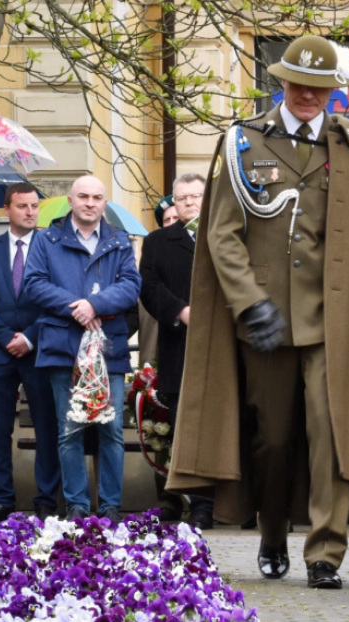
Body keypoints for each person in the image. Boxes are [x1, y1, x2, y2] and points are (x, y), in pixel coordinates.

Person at [165, 33, 349, 590]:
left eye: (321, 87)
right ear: (282, 82)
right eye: (299, 84)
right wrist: (247, 303)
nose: (309, 95)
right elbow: (222, 234)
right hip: (268, 320)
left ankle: (325, 553)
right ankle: (273, 531)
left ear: (334, 90)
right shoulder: (242, 141)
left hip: (337, 320)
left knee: (332, 432)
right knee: (273, 440)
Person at [23, 175, 141, 524]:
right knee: (69, 429)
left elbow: (131, 286)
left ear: (105, 203)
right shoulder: (47, 240)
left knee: (112, 430)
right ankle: (75, 505)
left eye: (97, 197)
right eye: (84, 197)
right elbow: (34, 283)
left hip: (109, 348)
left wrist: (95, 304)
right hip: (63, 346)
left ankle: (110, 508)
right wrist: (76, 306)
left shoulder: (120, 241)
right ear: (71, 201)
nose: (90, 203)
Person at [0, 183, 61, 524]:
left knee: (46, 427)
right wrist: (7, 338)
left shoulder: (52, 248)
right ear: (6, 210)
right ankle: (0, 500)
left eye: (34, 206)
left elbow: (57, 302)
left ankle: (45, 500)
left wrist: (28, 338)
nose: (30, 212)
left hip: (40, 350)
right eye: (22, 206)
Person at [139, 173, 214, 530]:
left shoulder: (222, 234)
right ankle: (184, 501)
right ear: (174, 202)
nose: (190, 203)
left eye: (197, 196)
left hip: (220, 346)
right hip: (178, 345)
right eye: (183, 198)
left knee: (214, 428)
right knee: (180, 429)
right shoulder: (157, 242)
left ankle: (210, 503)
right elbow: (149, 287)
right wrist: (181, 312)